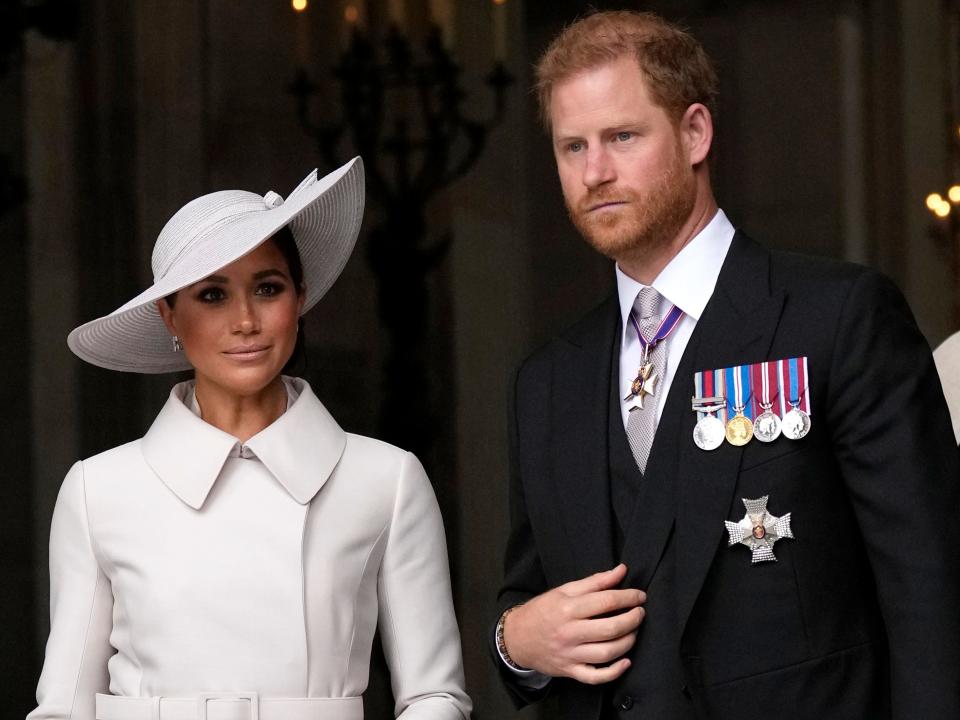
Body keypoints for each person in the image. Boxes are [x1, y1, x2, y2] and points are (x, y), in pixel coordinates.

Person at [489, 11, 960, 720]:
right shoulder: (545, 383)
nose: (594, 172)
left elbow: (932, 593)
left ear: (695, 133)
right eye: (571, 146)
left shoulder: (837, 319)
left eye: (622, 136)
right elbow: (529, 599)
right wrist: (512, 642)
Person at [30, 158, 472, 720]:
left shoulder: (386, 479)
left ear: (299, 297)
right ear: (169, 315)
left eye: (267, 288)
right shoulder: (98, 490)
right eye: (212, 295)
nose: (245, 321)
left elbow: (435, 696)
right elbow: (63, 708)